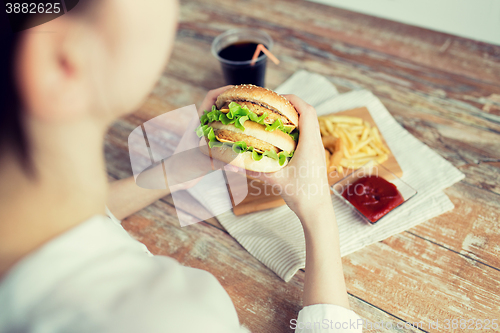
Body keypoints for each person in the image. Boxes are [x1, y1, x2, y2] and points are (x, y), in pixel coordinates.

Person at [0, 0, 362, 332]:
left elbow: (94, 218)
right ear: (61, 60)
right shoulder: (168, 318)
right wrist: (317, 210)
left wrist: (186, 165)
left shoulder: (24, 216)